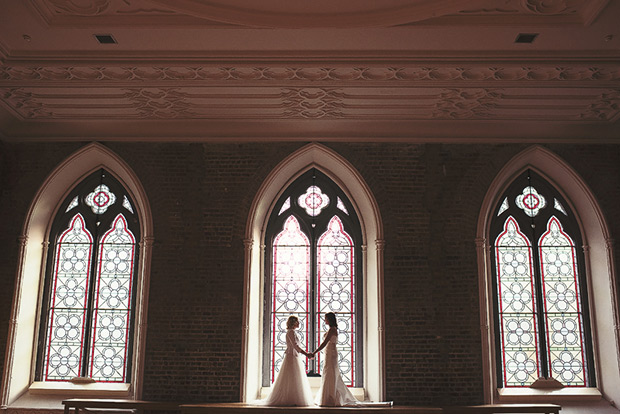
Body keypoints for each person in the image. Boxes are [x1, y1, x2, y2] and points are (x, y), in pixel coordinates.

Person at [262, 315, 314, 406]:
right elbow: (295, 346)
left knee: (294, 378)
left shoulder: (293, 332)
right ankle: (289, 399)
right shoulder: (290, 332)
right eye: (297, 321)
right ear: (293, 323)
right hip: (291, 357)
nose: (299, 323)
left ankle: (293, 398)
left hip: (294, 356)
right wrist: (306, 354)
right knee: (291, 377)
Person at [311, 312, 360, 406]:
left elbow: (324, 343)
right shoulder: (332, 329)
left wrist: (314, 352)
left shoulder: (332, 330)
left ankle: (331, 398)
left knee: (331, 373)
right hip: (329, 353)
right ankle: (328, 396)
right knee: (328, 373)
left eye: (325, 318)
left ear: (329, 319)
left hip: (331, 354)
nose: (324, 320)